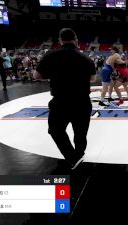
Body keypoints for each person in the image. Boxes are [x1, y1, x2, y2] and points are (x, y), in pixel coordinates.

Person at [33, 28, 96, 169]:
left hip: (61, 101)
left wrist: (56, 75)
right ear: (76, 41)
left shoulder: (50, 56)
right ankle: (79, 155)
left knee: (55, 130)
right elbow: (92, 78)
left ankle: (70, 156)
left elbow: (36, 76)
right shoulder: (86, 59)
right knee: (80, 132)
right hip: (82, 102)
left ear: (60, 40)